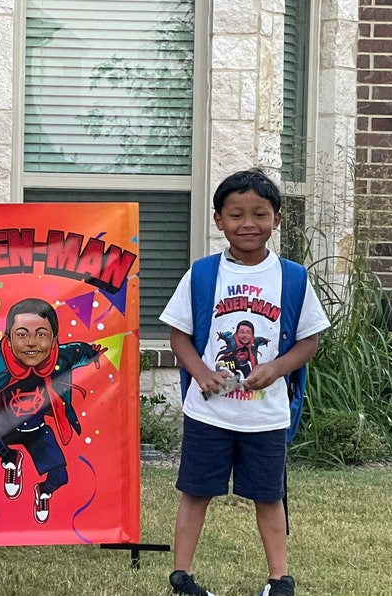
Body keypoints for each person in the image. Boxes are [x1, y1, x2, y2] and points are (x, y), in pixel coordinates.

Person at [159, 169, 330, 596]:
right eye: (235, 214)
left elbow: (309, 340)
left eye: (260, 213)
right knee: (195, 492)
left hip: (265, 415)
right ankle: (182, 577)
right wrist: (200, 372)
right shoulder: (202, 275)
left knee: (268, 497)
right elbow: (178, 333)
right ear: (218, 219)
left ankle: (279, 580)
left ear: (277, 219)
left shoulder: (291, 278)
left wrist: (278, 367)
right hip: (209, 412)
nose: (247, 223)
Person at [0, 298, 105, 524]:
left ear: (54, 339)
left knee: (61, 476)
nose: (31, 343)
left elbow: (79, 351)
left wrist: (93, 353)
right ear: (8, 339)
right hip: (6, 423)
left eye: (40, 334)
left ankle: (43, 492)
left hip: (37, 431)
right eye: (22, 334)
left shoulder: (61, 357)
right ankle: (10, 458)